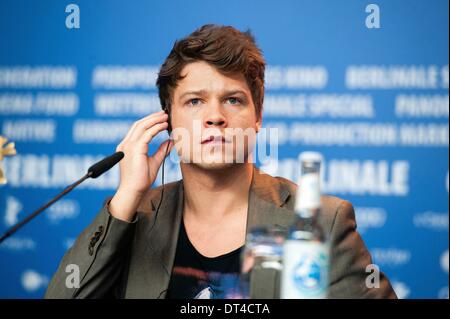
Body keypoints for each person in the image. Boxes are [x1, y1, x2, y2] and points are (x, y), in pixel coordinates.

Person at [45, 24, 397, 299]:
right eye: (195, 101)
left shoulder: (323, 221)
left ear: (258, 116)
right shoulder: (133, 218)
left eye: (233, 100)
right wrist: (125, 199)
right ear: (168, 120)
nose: (214, 116)